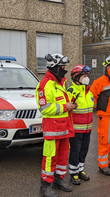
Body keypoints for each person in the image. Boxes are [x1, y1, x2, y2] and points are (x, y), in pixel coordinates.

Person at [36, 53, 77, 197]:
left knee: (62, 156)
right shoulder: (45, 85)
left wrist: (72, 102)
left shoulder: (60, 83)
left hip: (64, 128)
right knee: (50, 158)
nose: (65, 70)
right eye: (63, 67)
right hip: (53, 129)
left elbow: (62, 101)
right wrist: (66, 107)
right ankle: (45, 186)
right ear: (55, 68)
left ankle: (58, 180)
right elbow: (45, 108)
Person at [67, 64, 94, 185]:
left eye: (87, 75)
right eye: (84, 75)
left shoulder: (88, 91)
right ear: (76, 77)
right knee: (75, 151)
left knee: (84, 150)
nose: (86, 78)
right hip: (76, 129)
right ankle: (73, 173)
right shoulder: (71, 92)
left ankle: (81, 169)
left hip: (87, 129)